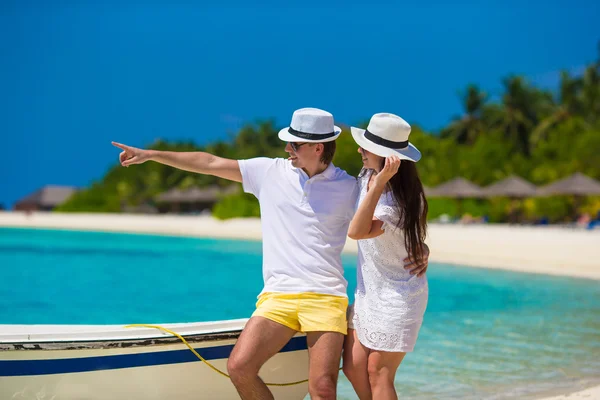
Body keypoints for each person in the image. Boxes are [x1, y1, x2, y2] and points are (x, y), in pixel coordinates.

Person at [113, 107, 358, 400]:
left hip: (326, 297)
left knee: (322, 388)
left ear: (317, 148)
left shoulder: (349, 187)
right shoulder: (268, 172)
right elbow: (210, 161)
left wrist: (416, 249)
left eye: (294, 144)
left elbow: (384, 220)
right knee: (239, 366)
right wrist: (153, 154)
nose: (287, 148)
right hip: (278, 297)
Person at [342, 113, 430, 400]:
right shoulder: (366, 175)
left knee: (378, 372)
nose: (359, 150)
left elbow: (356, 232)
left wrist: (380, 184)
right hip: (370, 293)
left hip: (399, 296)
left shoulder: (398, 202)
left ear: (385, 156)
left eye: (366, 147)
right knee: (354, 368)